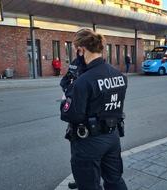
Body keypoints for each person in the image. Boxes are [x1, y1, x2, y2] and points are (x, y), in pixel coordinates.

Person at [60, 28, 128, 190]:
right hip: (112, 136)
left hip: (89, 142)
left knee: (89, 186)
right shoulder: (118, 75)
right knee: (114, 181)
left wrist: (64, 101)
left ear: (81, 50)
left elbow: (72, 115)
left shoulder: (83, 81)